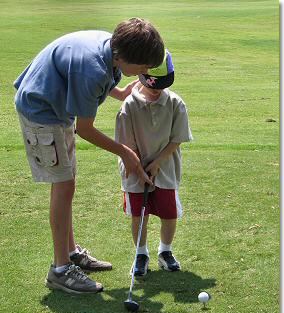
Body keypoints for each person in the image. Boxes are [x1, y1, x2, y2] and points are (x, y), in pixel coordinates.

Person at [14, 18, 164, 294]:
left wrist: (119, 92)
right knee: (63, 185)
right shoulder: (92, 70)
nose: (144, 73)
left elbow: (101, 76)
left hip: (57, 107)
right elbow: (86, 129)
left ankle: (70, 254)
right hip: (42, 111)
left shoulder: (112, 48)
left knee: (67, 183)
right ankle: (60, 270)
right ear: (124, 57)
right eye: (142, 67)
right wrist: (126, 153)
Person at [115, 49, 193, 277]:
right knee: (139, 215)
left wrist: (158, 162)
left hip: (166, 168)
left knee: (169, 214)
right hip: (133, 169)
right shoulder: (129, 105)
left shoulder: (176, 103)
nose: (157, 90)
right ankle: (141, 253)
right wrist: (140, 170)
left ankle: (165, 251)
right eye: (153, 85)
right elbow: (126, 146)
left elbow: (177, 139)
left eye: (162, 85)